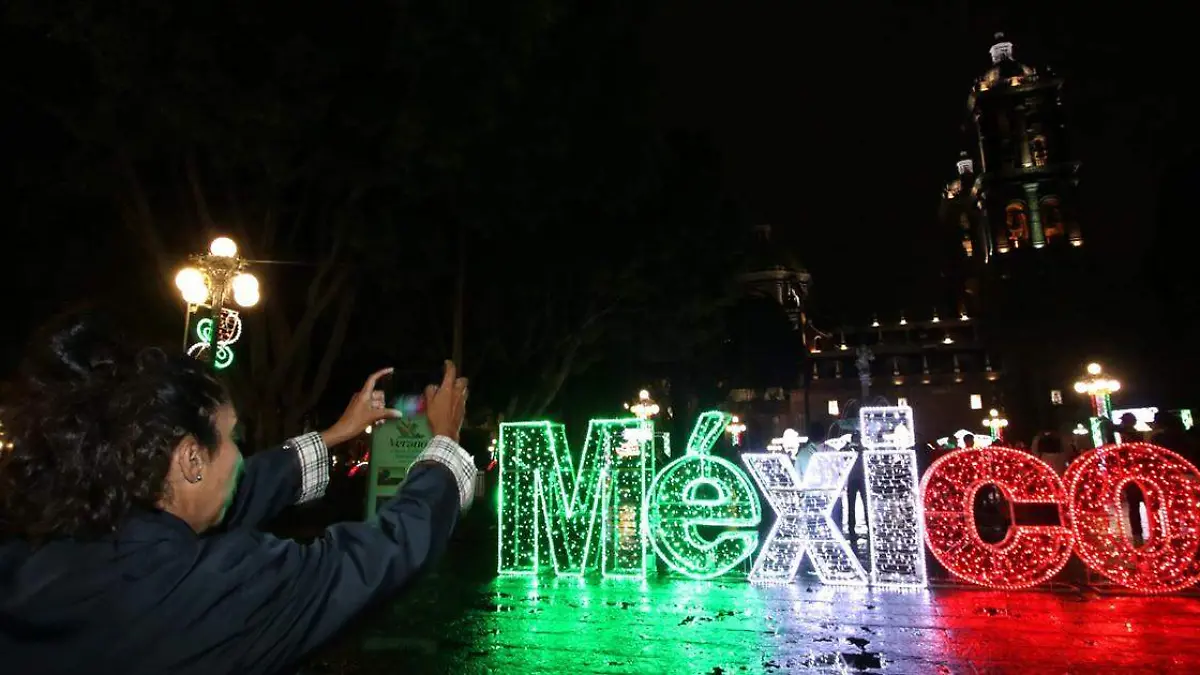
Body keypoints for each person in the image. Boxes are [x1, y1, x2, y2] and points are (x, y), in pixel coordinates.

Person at [0, 314, 475, 675]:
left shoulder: (46, 556)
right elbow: (378, 557)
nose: (241, 456)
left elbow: (232, 495)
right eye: (232, 438)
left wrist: (333, 435)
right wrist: (445, 443)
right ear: (191, 457)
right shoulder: (205, 593)